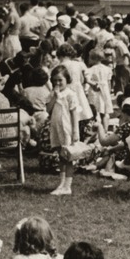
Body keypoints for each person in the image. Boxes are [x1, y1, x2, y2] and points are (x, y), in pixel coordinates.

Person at [46, 64, 82, 196]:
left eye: (60, 80)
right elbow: (48, 110)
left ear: (67, 79)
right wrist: (55, 96)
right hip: (57, 128)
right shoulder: (52, 94)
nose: (57, 83)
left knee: (68, 156)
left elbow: (74, 114)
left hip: (67, 128)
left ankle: (68, 185)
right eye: (55, 80)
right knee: (61, 156)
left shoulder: (70, 94)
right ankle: (61, 183)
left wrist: (75, 131)